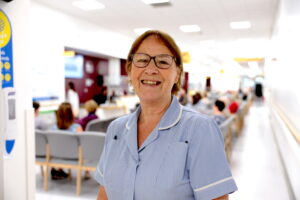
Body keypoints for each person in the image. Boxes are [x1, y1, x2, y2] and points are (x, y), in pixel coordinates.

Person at [95, 30, 237, 200]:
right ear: (130, 70)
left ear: (177, 74)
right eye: (142, 60)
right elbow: (104, 195)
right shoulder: (116, 130)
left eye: (162, 61)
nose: (151, 69)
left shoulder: (200, 130)